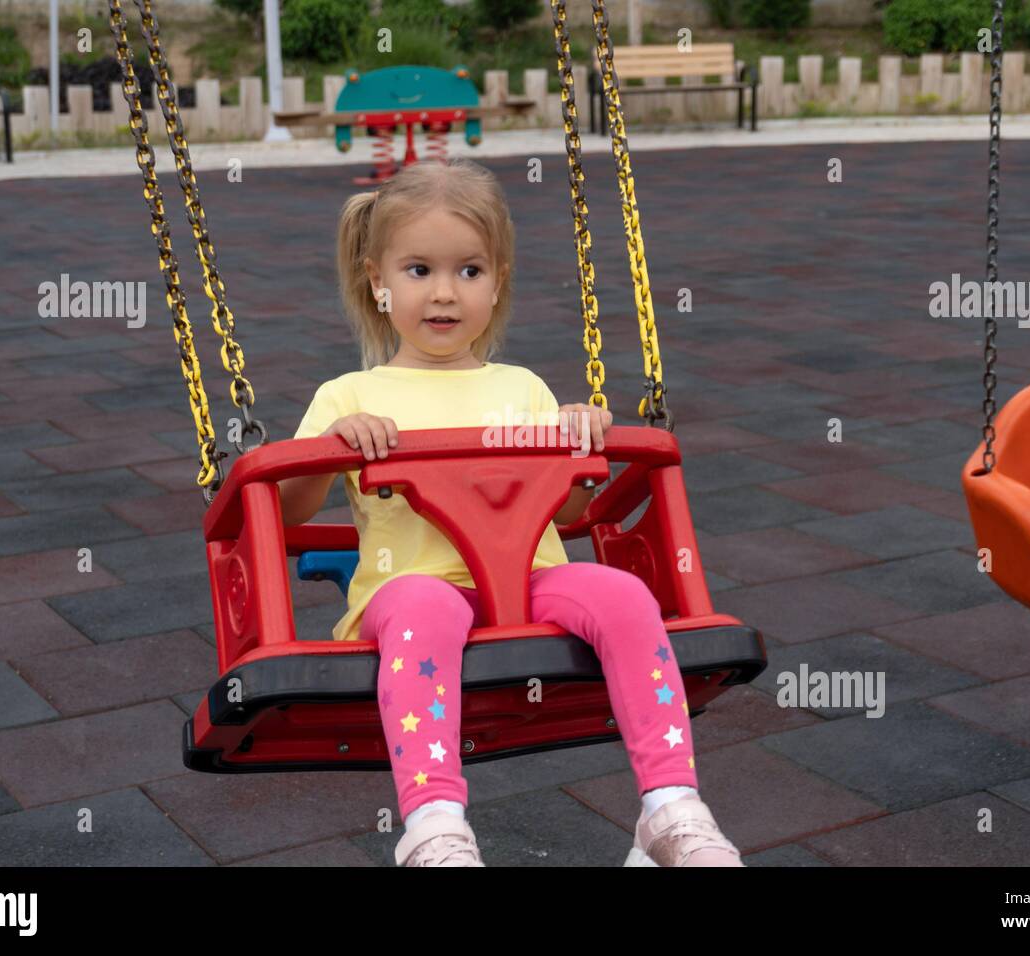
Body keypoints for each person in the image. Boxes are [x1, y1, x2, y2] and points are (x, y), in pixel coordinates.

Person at [277, 158, 743, 868]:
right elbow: (284, 512)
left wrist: (578, 437)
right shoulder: (348, 395)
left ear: (497, 284)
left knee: (620, 592)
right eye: (418, 270)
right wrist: (332, 445)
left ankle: (671, 808)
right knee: (428, 606)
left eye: (469, 271)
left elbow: (571, 509)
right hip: (413, 590)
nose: (444, 293)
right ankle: (434, 823)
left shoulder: (521, 388)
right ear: (377, 280)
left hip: (529, 584)